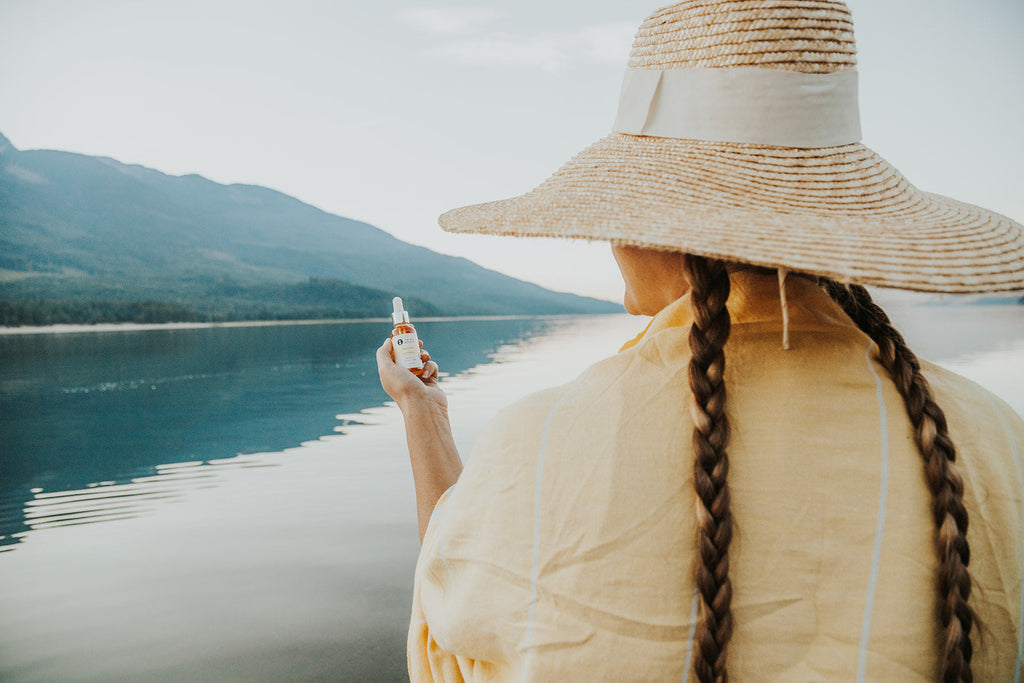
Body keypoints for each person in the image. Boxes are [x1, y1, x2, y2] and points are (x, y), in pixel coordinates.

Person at [377, 1, 1024, 680]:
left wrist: (422, 413)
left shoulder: (538, 447)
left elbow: (444, 621)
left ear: (661, 227)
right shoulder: (996, 440)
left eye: (618, 202)